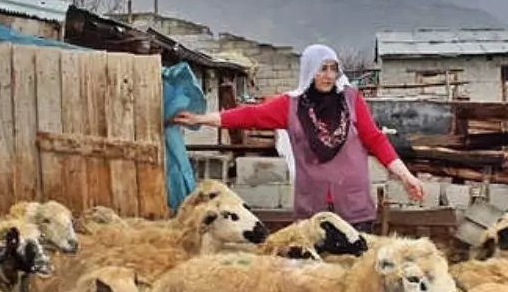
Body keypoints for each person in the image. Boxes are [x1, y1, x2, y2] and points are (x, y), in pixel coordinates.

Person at [172, 44, 425, 233]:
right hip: (313, 209)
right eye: (321, 69)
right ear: (309, 71)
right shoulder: (291, 106)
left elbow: (376, 140)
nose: (328, 75)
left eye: (332, 69)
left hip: (354, 208)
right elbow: (250, 115)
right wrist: (202, 119)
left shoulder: (351, 101)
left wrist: (406, 176)